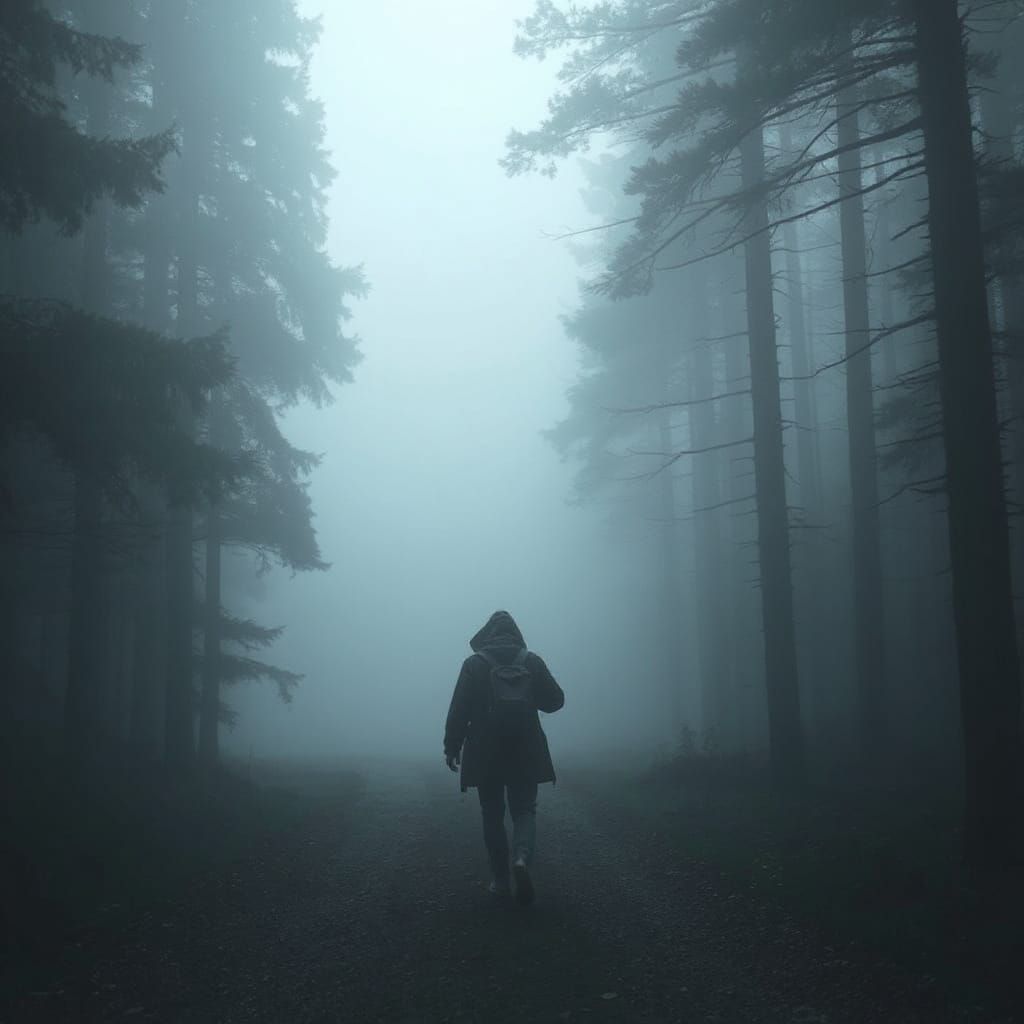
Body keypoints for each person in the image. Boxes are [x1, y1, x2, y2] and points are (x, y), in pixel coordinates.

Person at [444, 610, 565, 906]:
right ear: (516, 633)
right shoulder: (531, 661)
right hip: (525, 746)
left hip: (486, 750)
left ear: (487, 635)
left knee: (492, 813)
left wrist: (452, 746)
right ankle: (521, 858)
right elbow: (556, 701)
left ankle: (500, 881)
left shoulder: (474, 664)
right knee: (524, 810)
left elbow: (458, 710)